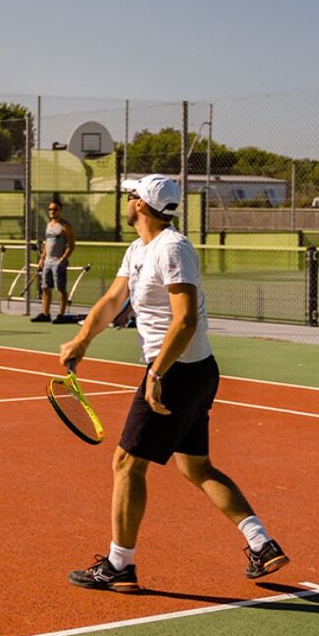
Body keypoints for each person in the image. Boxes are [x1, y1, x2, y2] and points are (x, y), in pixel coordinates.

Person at [59, 174, 287, 592]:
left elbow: (185, 320)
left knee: (127, 463)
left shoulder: (173, 248)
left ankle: (119, 565)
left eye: (131, 195)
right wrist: (81, 340)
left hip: (177, 372)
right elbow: (113, 301)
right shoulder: (138, 249)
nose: (126, 200)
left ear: (142, 204)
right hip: (189, 371)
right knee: (195, 466)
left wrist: (158, 374)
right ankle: (262, 543)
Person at [31, 198, 76, 323]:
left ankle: (61, 314)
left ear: (60, 211)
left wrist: (63, 259)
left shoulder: (65, 226)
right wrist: (42, 259)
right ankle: (46, 313)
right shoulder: (49, 225)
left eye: (55, 209)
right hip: (47, 262)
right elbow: (47, 243)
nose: (52, 212)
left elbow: (71, 245)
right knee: (45, 287)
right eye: (50, 209)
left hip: (58, 262)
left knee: (61, 289)